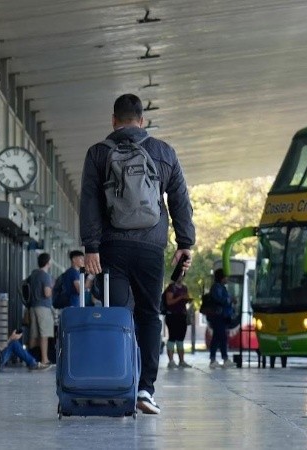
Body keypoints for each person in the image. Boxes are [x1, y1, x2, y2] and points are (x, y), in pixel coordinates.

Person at [80, 93, 196, 415]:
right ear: (142, 121)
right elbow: (180, 200)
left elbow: (89, 201)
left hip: (111, 248)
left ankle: (117, 382)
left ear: (113, 120)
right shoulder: (163, 152)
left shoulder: (98, 153)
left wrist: (91, 247)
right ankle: (146, 389)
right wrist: (185, 243)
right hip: (151, 247)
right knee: (148, 315)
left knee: (116, 315)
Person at [27, 252, 54, 368]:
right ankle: (44, 359)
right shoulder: (45, 276)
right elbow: (47, 293)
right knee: (44, 334)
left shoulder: (33, 274)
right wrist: (54, 288)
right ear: (48, 262)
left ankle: (30, 359)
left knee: (33, 334)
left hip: (33, 307)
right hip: (43, 307)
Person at [163, 275, 192, 369]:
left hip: (182, 315)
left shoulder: (184, 287)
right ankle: (171, 361)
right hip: (172, 315)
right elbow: (169, 302)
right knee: (172, 337)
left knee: (180, 338)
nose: (181, 277)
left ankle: (181, 361)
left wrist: (186, 299)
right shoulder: (171, 288)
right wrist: (180, 298)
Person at [207, 268, 233, 369]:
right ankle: (216, 359)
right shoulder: (217, 287)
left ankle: (222, 358)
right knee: (219, 337)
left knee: (219, 337)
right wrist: (229, 300)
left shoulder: (221, 287)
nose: (227, 279)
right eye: (226, 277)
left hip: (222, 315)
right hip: (218, 316)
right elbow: (220, 299)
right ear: (222, 277)